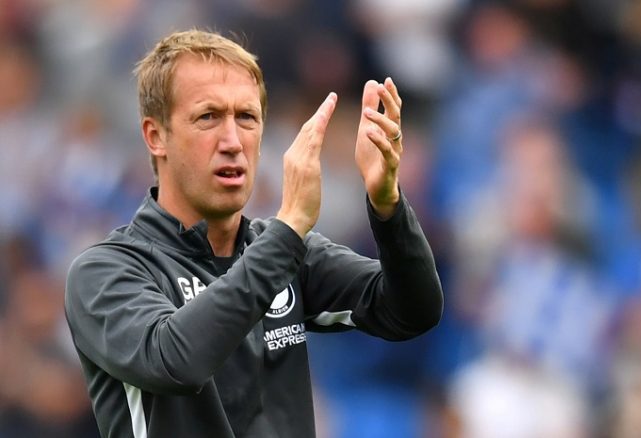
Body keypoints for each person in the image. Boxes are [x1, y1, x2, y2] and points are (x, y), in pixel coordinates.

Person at [64, 29, 443, 438]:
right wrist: (289, 229)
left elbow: (414, 311)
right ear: (156, 136)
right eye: (208, 117)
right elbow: (174, 362)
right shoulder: (104, 271)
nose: (232, 141)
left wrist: (388, 206)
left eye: (246, 117)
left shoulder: (287, 252)